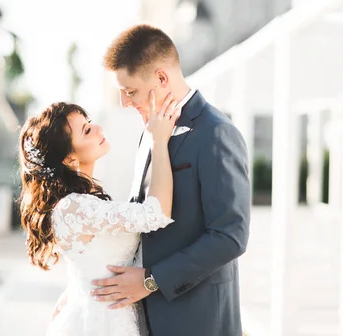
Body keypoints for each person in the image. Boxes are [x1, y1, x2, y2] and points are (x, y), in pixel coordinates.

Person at [92, 24, 251, 336]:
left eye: (130, 91)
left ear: (162, 78)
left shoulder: (216, 133)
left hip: (200, 320)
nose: (125, 102)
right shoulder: (149, 134)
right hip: (147, 320)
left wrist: (151, 280)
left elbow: (230, 235)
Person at [16, 94, 180, 336]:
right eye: (86, 130)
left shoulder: (82, 200)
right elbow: (156, 213)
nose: (98, 129)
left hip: (106, 312)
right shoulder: (73, 207)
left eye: (90, 122)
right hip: (104, 322)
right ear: (69, 158)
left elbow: (88, 260)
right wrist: (159, 140)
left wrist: (75, 290)